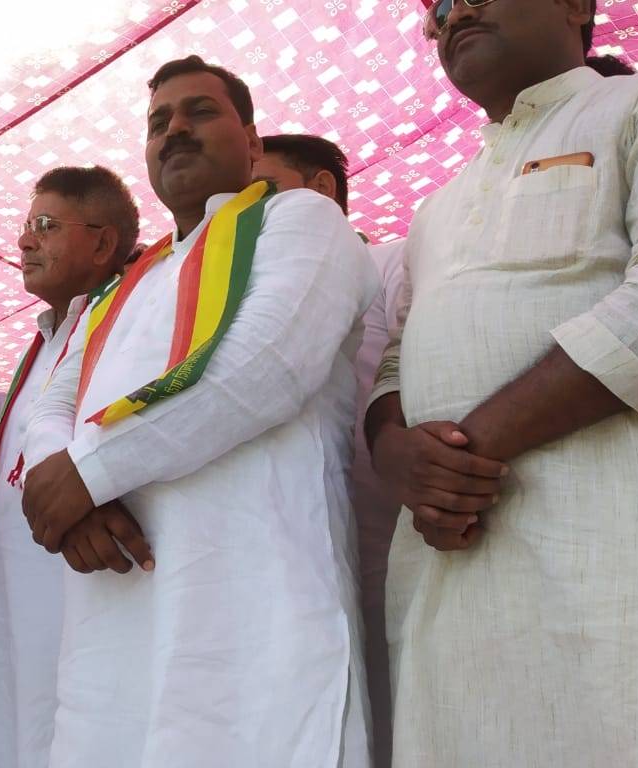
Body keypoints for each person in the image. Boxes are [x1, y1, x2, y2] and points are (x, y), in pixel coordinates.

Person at [21, 55, 378, 767]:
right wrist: (68, 494)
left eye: (200, 112)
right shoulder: (124, 286)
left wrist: (87, 475)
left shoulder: (297, 218)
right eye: (158, 122)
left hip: (256, 593)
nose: (175, 130)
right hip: (116, 600)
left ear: (251, 141)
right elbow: (50, 405)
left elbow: (271, 363)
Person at [366, 1, 638, 765]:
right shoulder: (436, 209)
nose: (456, 12)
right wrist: (392, 452)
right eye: (439, 7)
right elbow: (396, 361)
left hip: (618, 560)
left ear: (577, 5)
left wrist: (464, 456)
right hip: (448, 576)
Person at [0, 166, 139, 768]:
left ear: (103, 244)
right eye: (27, 226)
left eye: (46, 225)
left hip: (85, 580)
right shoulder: (43, 339)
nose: (24, 241)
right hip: (9, 592)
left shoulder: (133, 315)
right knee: (2, 730)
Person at [255, 132, 403, 768]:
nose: (246, 213)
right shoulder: (245, 297)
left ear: (321, 189)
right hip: (297, 548)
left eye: (262, 191)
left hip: (397, 534)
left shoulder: (392, 263)